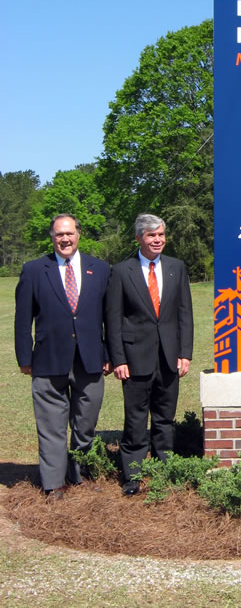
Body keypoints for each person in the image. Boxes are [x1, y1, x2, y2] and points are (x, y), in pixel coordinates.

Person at [14, 214, 111, 500]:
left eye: (69, 233)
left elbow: (110, 317)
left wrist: (111, 355)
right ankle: (54, 483)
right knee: (51, 426)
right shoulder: (33, 270)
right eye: (59, 235)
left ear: (79, 234)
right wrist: (24, 357)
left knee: (85, 424)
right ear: (52, 237)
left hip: (90, 359)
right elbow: (23, 320)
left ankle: (78, 473)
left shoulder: (101, 269)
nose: (64, 239)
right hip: (48, 360)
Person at [105, 213, 193, 496]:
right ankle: (133, 476)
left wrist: (185, 353)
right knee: (135, 419)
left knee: (165, 418)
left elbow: (184, 314)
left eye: (161, 235)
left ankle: (164, 469)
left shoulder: (176, 268)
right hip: (134, 359)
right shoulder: (121, 272)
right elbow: (113, 318)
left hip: (169, 357)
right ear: (139, 238)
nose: (158, 240)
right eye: (152, 235)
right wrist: (118, 358)